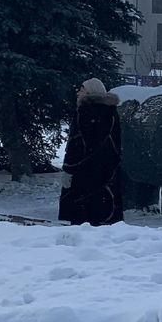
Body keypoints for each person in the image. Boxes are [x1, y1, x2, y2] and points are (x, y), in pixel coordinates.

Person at [58, 78, 123, 226]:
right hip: (107, 173)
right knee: (104, 218)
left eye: (82, 89)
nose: (78, 92)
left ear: (90, 92)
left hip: (84, 174)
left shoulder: (85, 111)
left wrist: (69, 169)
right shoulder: (111, 112)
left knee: (82, 220)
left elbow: (77, 145)